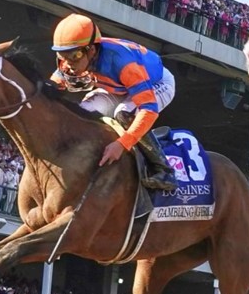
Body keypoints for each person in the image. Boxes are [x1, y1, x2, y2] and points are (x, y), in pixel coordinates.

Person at [50, 13, 178, 191]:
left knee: (123, 113)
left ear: (92, 50)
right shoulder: (69, 61)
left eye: (75, 55)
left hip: (156, 83)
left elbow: (149, 110)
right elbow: (51, 88)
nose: (69, 63)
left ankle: (164, 171)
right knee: (84, 110)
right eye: (63, 55)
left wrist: (122, 144)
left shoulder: (122, 62)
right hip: (118, 87)